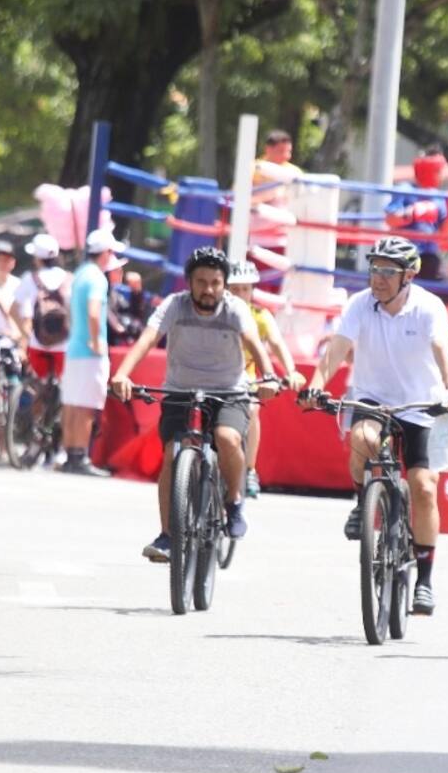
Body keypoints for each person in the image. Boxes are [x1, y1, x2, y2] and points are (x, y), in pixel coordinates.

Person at [303, 236, 448, 616]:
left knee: (424, 487)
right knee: (361, 438)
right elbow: (336, 352)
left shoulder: (429, 307)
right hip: (372, 397)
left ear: (409, 275)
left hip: (420, 404)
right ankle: (363, 503)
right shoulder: (359, 305)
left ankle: (424, 580)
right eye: (374, 269)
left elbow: (444, 352)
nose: (378, 279)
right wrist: (315, 385)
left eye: (388, 272)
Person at [109, 248, 279, 559]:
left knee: (227, 438)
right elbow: (146, 339)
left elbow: (255, 342)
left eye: (216, 282)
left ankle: (235, 501)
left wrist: (269, 377)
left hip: (229, 391)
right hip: (181, 391)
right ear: (189, 282)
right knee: (174, 453)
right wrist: (122, 374)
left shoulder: (235, 309)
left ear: (225, 284)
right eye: (201, 281)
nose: (208, 289)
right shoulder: (175, 306)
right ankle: (167, 536)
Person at [226, 259, 305, 498]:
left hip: (245, 378)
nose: (240, 294)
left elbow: (277, 343)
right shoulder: (216, 312)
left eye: (245, 289)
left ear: (252, 290)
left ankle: (249, 468)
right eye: (235, 289)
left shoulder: (259, 315)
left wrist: (290, 371)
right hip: (214, 377)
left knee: (252, 409)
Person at [61, 228, 126, 476]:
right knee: (86, 405)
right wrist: (96, 342)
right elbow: (92, 312)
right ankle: (80, 457)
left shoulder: (79, 275)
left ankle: (71, 455)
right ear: (106, 253)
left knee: (71, 403)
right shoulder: (97, 278)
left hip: (74, 347)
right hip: (89, 350)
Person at [384, 147, 448, 283]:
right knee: (396, 291)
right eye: (439, 171)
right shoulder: (405, 189)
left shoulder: (439, 198)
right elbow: (390, 219)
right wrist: (412, 213)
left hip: (429, 255)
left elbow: (443, 235)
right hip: (403, 252)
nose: (442, 176)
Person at [14, 233, 72, 381]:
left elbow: (13, 309)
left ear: (37, 258)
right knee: (64, 391)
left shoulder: (30, 278)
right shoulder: (70, 278)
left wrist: (27, 333)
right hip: (65, 345)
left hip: (37, 343)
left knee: (38, 390)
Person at [249, 129, 303, 260]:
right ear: (268, 149)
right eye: (281, 151)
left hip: (284, 239)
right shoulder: (254, 169)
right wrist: (269, 195)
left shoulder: (294, 173)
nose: (286, 156)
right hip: (256, 238)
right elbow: (240, 197)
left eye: (288, 152)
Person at [0, 240, 23, 343]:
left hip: (12, 343)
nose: (2, 263)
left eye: (6, 260)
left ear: (13, 262)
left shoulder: (20, 286)